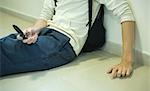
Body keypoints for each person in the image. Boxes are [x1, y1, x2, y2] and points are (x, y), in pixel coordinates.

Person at [0, 0, 135, 78]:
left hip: (64, 40)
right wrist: (34, 30)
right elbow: (45, 16)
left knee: (8, 50)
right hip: (46, 31)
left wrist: (126, 60)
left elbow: (125, 12)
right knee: (10, 41)